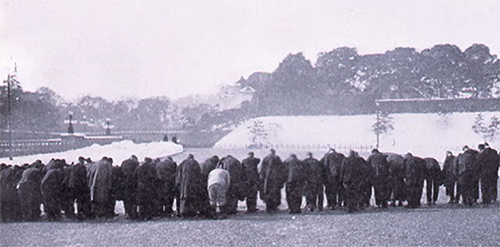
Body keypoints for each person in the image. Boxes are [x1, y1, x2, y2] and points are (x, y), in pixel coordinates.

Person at [259, 149, 286, 213]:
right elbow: (282, 169)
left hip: (267, 179)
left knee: (267, 192)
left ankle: (268, 207)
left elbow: (262, 169)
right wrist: (282, 179)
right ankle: (274, 207)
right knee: (275, 193)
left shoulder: (265, 158)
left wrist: (261, 179)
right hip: (275, 179)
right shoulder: (277, 158)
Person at [120, 155, 139, 219]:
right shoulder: (135, 164)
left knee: (126, 199)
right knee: (133, 199)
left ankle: (127, 212)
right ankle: (133, 213)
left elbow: (121, 172)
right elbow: (136, 174)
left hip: (125, 183)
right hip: (132, 184)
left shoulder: (124, 163)